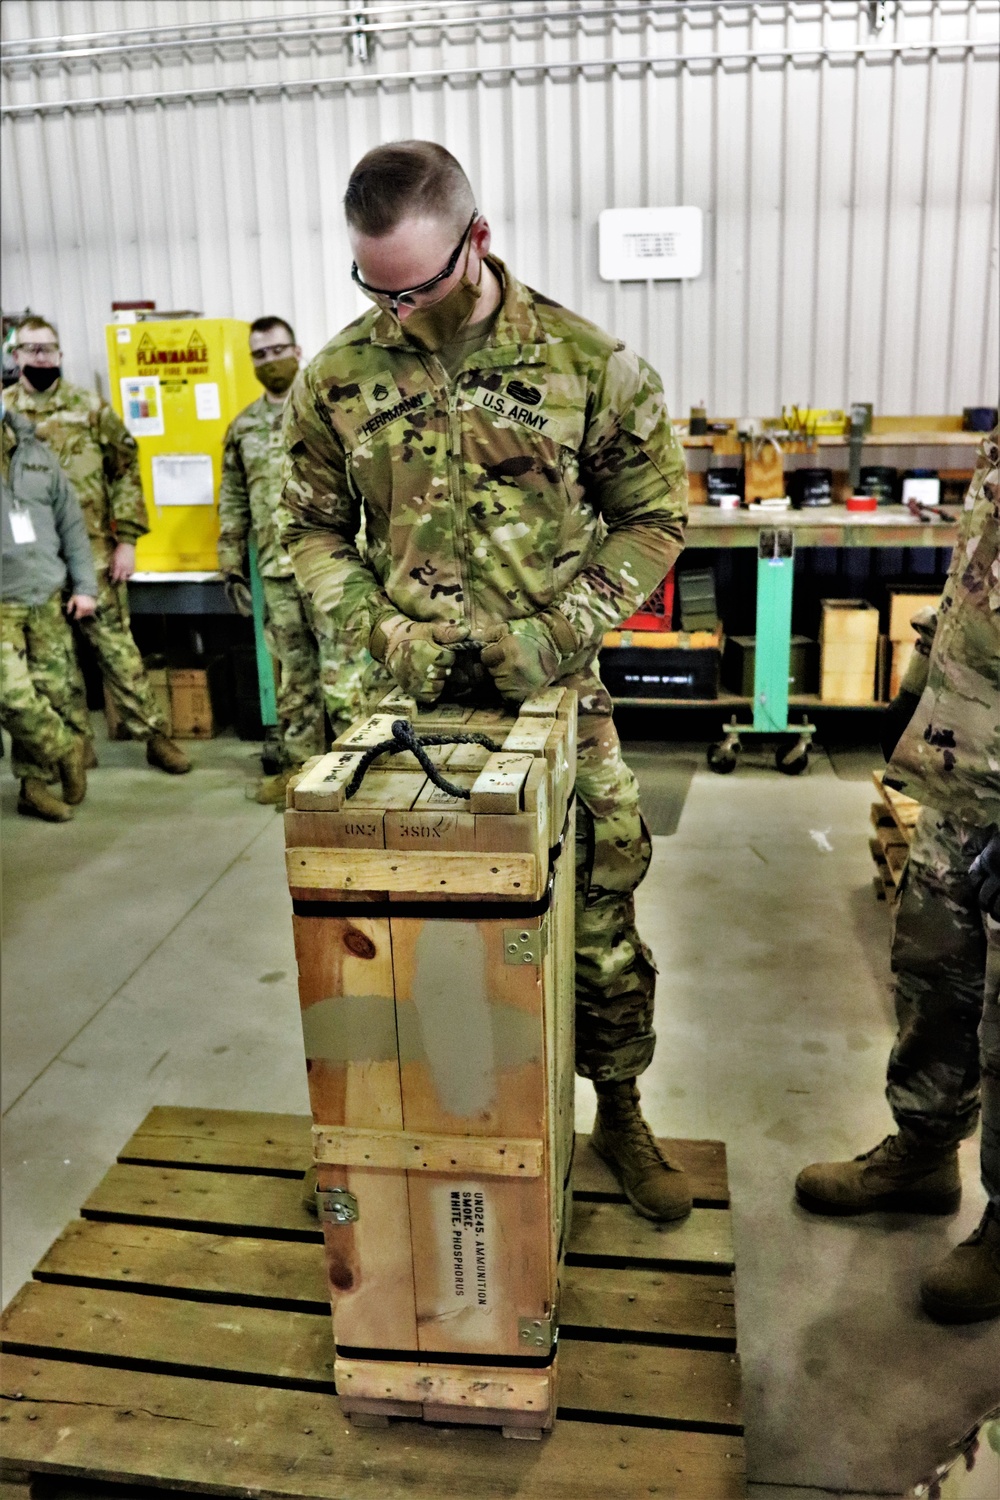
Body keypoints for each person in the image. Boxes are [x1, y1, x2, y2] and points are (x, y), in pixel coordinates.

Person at [281, 141, 691, 1221]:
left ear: (479, 240)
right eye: (375, 286)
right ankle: (416, 1132)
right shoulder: (335, 379)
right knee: (396, 935)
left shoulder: (585, 365)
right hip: (403, 710)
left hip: (558, 701)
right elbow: (310, 531)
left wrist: (559, 630)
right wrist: (380, 630)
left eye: (419, 285)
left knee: (600, 915)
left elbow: (655, 520)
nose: (398, 308)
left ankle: (620, 1110)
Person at [796, 428, 1000, 1324]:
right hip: (968, 769)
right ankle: (922, 1151)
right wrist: (919, 682)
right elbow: (974, 574)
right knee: (935, 969)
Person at [5, 317, 190, 775]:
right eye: (31, 350)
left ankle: (155, 735)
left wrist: (126, 539)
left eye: (48, 349)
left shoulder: (90, 409)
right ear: (16, 357)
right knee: (55, 665)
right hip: (34, 562)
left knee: (117, 652)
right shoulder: (4, 414)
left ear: (61, 355)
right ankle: (75, 745)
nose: (41, 358)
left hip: (95, 553)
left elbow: (126, 469)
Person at [217, 317, 369, 803]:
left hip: (332, 567)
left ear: (298, 349)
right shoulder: (242, 426)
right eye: (260, 354)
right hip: (276, 570)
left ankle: (355, 775)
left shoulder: (332, 407)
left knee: (344, 678)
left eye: (278, 350)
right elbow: (234, 496)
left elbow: (369, 481)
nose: (270, 361)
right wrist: (230, 560)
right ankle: (300, 772)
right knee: (293, 678)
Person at [1, 401, 98, 821]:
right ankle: (66, 748)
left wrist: (86, 586)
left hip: (45, 596)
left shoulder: (34, 450)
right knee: (13, 696)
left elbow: (70, 523)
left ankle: (34, 787)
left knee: (53, 692)